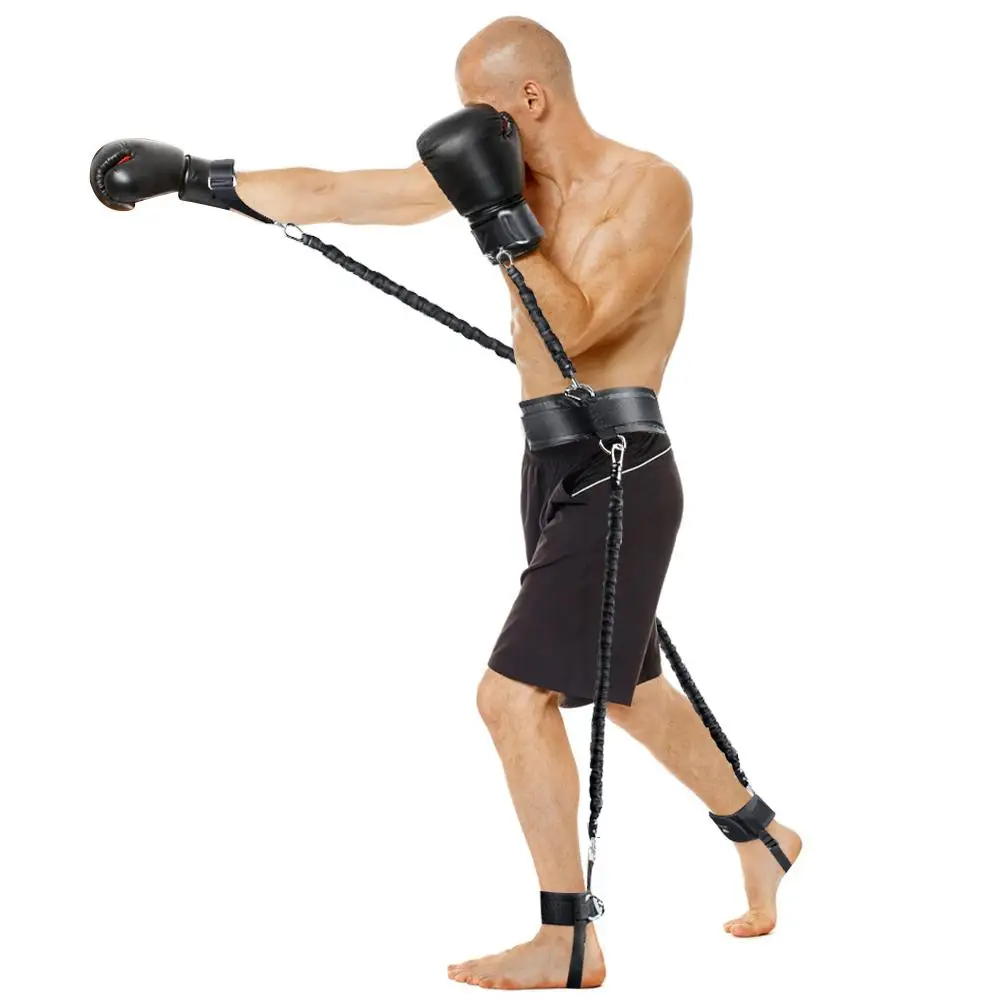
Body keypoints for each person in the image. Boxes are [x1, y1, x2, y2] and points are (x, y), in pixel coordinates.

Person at [90, 15, 801, 992]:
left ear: (529, 98)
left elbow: (573, 329)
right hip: (548, 463)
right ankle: (760, 832)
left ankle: (567, 936)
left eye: (480, 107)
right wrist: (198, 179)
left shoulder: (647, 187)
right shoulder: (507, 176)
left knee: (510, 697)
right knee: (621, 690)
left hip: (620, 466)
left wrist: (497, 216)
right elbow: (338, 193)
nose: (470, 125)